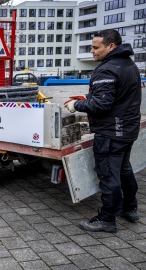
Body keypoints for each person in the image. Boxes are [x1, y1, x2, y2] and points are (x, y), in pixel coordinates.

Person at [64, 29, 142, 233]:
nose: (92, 51)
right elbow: (116, 95)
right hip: (127, 129)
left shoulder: (107, 69)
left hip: (111, 132)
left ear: (111, 47)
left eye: (95, 47)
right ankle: (130, 208)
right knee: (124, 170)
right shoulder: (129, 64)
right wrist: (88, 98)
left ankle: (107, 219)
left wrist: (76, 106)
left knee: (108, 175)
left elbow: (102, 104)